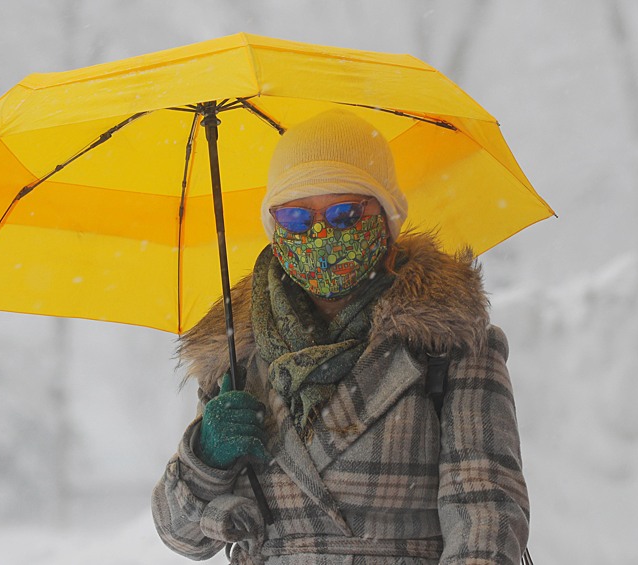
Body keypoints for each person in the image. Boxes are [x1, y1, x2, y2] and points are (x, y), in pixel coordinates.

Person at [151, 110, 529, 564]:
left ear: (387, 217)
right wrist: (206, 457)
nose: (319, 235)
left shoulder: (449, 342)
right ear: (274, 228)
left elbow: (486, 519)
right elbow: (183, 537)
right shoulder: (238, 355)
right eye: (294, 217)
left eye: (345, 213)